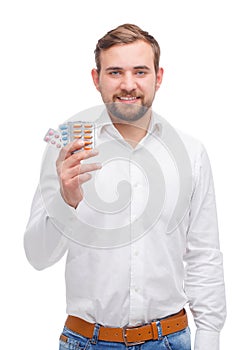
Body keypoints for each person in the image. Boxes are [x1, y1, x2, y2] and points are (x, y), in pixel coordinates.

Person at [24, 23, 226, 350]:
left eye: (140, 72)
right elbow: (38, 255)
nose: (128, 84)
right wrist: (67, 201)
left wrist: (209, 338)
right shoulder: (66, 150)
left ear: (158, 77)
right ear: (96, 78)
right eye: (115, 72)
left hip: (171, 341)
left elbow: (204, 255)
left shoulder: (190, 153)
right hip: (86, 342)